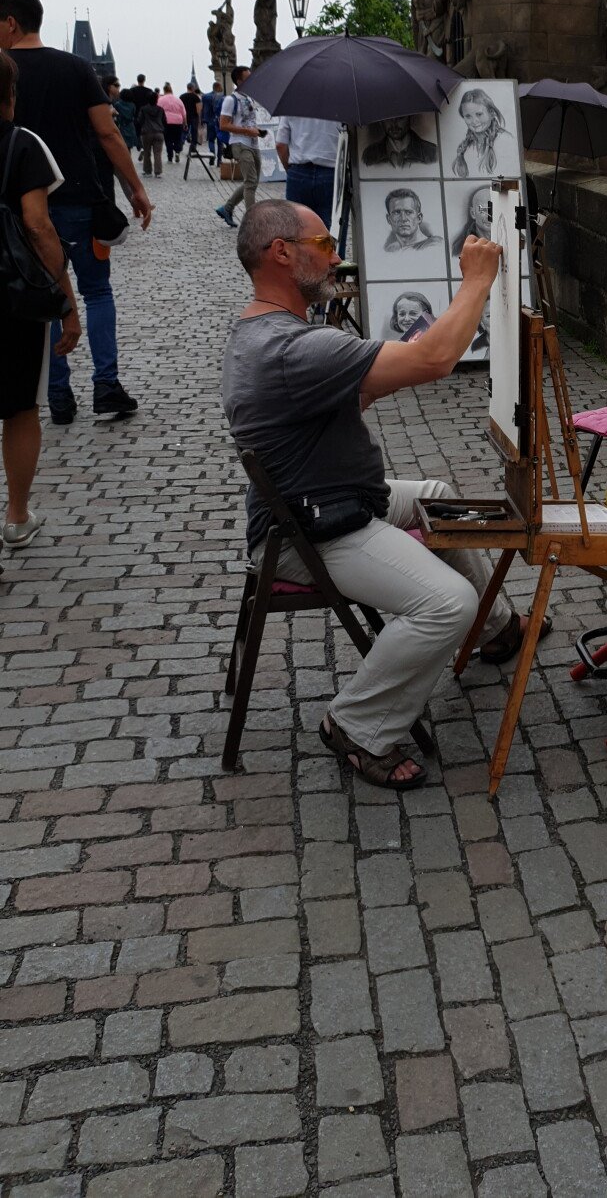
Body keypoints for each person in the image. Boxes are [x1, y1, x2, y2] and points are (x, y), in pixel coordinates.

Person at [220, 198, 531, 788]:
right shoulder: (293, 349)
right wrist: (479, 280)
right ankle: (358, 726)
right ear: (281, 253)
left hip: (326, 497)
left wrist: (380, 376)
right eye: (324, 246)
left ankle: (496, 631)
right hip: (308, 530)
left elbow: (349, 394)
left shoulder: (265, 331)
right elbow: (436, 360)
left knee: (438, 495)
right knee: (445, 603)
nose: (337, 259)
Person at [0, 0, 150, 426]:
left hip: (22, 209)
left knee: (45, 297)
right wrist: (135, 189)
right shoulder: (77, 68)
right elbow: (108, 133)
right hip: (81, 202)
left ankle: (58, 394)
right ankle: (107, 386)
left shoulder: (4, 72)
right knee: (98, 291)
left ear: (11, 22)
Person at [0, 51, 81, 549]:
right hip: (11, 298)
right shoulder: (22, 144)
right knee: (18, 408)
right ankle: (16, 516)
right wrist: (65, 301)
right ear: (11, 94)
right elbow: (38, 225)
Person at [215, 66, 268, 228]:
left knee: (251, 182)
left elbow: (249, 122)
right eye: (248, 77)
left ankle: (227, 208)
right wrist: (247, 131)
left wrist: (258, 131)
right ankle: (252, 222)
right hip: (239, 143)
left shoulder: (250, 98)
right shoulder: (231, 100)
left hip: (253, 143)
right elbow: (223, 125)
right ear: (239, 81)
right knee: (251, 182)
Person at [275, 115, 340, 228]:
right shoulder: (340, 104)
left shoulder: (291, 104)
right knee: (328, 228)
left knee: (297, 228)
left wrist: (289, 170)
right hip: (330, 173)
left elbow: (280, 144)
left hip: (299, 172)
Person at [450, 89, 516, 178]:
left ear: (491, 113)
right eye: (468, 116)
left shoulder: (505, 140)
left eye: (479, 114)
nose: (474, 121)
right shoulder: (468, 147)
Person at [362, 116, 437, 171]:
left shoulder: (431, 152)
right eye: (388, 119)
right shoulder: (370, 154)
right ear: (381, 122)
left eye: (400, 118)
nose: (394, 124)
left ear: (409, 118)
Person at [383, 189, 441, 254]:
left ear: (419, 218)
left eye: (409, 212)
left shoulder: (435, 246)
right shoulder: (391, 250)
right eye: (397, 212)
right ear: (388, 219)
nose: (403, 218)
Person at [451, 185, 491, 260]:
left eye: (493, 209)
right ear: (473, 213)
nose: (489, 216)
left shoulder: (510, 239)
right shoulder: (461, 248)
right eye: (484, 210)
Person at [107, 79, 139, 156]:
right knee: (129, 148)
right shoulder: (133, 105)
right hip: (130, 127)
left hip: (121, 127)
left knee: (121, 148)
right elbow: (134, 115)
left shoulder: (117, 105)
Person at [138, 94, 167, 179]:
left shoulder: (143, 109)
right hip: (159, 132)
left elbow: (140, 120)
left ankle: (148, 171)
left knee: (147, 152)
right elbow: (165, 121)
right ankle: (158, 172)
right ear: (156, 100)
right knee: (157, 153)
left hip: (147, 132)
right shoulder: (161, 109)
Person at [156, 82, 186, 164]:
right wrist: (185, 123)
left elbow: (157, 111)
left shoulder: (160, 100)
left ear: (164, 90)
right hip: (178, 121)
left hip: (166, 122)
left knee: (168, 139)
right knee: (177, 138)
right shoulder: (178, 100)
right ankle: (177, 151)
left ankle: (170, 157)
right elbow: (183, 112)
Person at [180, 82, 203, 149]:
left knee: (184, 131)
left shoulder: (182, 96)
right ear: (193, 88)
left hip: (185, 116)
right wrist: (199, 118)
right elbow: (198, 109)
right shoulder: (196, 97)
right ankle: (193, 146)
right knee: (194, 131)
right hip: (194, 116)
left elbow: (180, 108)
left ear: (187, 87)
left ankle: (181, 144)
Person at [201, 87, 222, 157]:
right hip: (219, 122)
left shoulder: (205, 96)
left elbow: (202, 109)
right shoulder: (222, 97)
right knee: (220, 142)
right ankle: (219, 161)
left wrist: (202, 119)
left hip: (210, 121)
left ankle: (212, 154)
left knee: (211, 140)